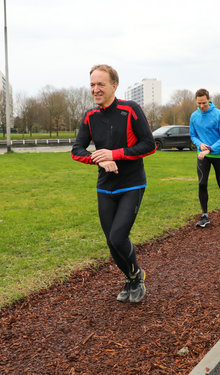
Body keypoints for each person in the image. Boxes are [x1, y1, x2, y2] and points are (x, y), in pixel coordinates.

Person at [71, 64, 156, 303]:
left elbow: (149, 145)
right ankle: (131, 279)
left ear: (114, 86)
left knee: (118, 237)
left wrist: (114, 154)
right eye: (92, 85)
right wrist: (99, 159)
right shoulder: (90, 116)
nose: (96, 89)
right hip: (105, 187)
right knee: (111, 242)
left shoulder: (130, 110)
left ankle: (137, 276)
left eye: (101, 84)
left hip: (131, 184)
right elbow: (77, 149)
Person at [190, 88, 220, 228]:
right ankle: (205, 215)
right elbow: (193, 135)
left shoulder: (219, 115)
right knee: (202, 183)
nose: (202, 106)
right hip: (202, 156)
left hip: (218, 155)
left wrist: (209, 149)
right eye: (199, 103)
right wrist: (200, 144)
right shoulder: (194, 116)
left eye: (204, 103)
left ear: (209, 100)